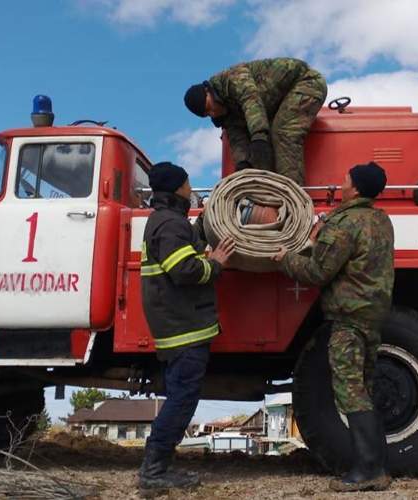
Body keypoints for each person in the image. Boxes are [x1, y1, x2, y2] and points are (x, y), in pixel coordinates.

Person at [272, 162, 394, 492]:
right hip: (372, 316)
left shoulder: (344, 223)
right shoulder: (381, 220)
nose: (342, 183)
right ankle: (379, 467)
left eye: (346, 179)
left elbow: (318, 272)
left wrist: (285, 258)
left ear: (355, 188)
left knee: (350, 391)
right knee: (364, 389)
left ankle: (367, 470)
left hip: (348, 319)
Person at [138, 162, 235, 494]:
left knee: (181, 395)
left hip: (180, 324)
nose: (191, 187)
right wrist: (216, 264)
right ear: (179, 187)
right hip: (183, 327)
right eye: (188, 183)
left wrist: (205, 221)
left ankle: (157, 467)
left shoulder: (168, 220)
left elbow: (185, 247)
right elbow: (184, 270)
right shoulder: (169, 223)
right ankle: (153, 472)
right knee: (181, 398)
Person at [184, 57, 327, 186]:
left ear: (208, 91)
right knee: (259, 155)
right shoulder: (226, 115)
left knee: (282, 133)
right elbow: (237, 139)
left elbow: (251, 101)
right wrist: (243, 164)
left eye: (209, 107)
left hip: (305, 82)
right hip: (278, 103)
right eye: (207, 114)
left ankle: (293, 196)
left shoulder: (232, 79)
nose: (212, 113)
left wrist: (259, 136)